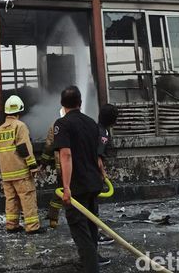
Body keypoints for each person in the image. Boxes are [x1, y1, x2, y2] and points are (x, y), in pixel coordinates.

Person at [53, 86, 103, 272]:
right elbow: (97, 155)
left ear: (61, 103)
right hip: (93, 183)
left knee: (80, 231)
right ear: (80, 103)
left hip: (77, 187)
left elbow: (66, 155)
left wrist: (66, 187)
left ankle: (90, 268)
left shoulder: (62, 124)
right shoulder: (91, 123)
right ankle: (89, 263)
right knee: (91, 227)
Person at [0, 95, 43, 234]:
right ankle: (32, 227)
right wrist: (33, 166)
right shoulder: (20, 126)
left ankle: (11, 225)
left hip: (6, 173)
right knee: (27, 197)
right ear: (19, 111)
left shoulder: (1, 129)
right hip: (20, 171)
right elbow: (24, 148)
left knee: (11, 199)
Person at [96, 104, 118, 247]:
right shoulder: (102, 133)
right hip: (91, 174)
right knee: (92, 206)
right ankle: (95, 234)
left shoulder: (95, 128)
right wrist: (103, 175)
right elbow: (98, 157)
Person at [40, 108, 65, 229]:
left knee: (61, 190)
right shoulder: (80, 123)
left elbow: (49, 147)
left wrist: (43, 163)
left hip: (61, 167)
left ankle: (53, 217)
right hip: (78, 166)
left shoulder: (54, 126)